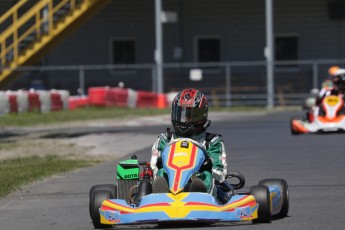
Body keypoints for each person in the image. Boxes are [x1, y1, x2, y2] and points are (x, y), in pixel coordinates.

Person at [150, 88, 228, 195]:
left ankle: (199, 195)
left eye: (190, 116)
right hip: (169, 186)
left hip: (198, 184)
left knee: (206, 176)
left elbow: (220, 175)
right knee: (161, 173)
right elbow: (153, 168)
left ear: (202, 116)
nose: (184, 120)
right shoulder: (165, 140)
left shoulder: (212, 142)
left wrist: (204, 167)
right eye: (181, 114)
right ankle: (160, 197)